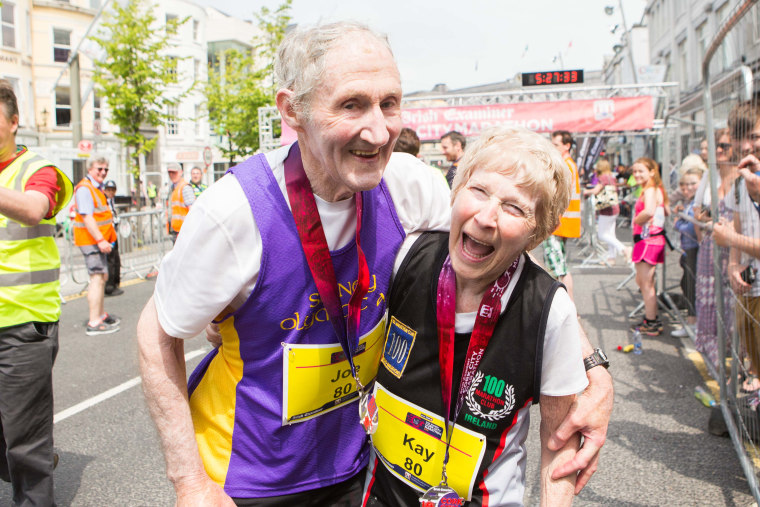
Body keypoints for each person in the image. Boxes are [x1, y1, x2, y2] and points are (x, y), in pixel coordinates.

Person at [137, 22, 612, 506]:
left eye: (389, 103)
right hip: (246, 481)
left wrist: (591, 367)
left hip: (355, 469)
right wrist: (190, 482)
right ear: (291, 110)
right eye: (352, 104)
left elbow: (505, 255)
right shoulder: (233, 213)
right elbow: (157, 332)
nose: (380, 130)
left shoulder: (405, 184)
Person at [363, 127, 590, 506]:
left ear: (538, 233)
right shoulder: (407, 257)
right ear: (456, 191)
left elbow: (559, 444)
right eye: (479, 191)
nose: (486, 217)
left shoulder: (550, 311)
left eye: (514, 207)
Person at [0, 79, 73, 505]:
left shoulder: (38, 168)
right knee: (15, 441)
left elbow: (33, 210)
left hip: (23, 324)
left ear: (14, 123)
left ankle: (34, 469)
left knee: (24, 444)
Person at [713, 101, 760, 391]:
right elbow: (740, 225)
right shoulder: (745, 181)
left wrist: (730, 239)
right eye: (739, 137)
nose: (745, 145)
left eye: (754, 136)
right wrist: (733, 264)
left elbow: (734, 234)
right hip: (750, 288)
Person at [694, 129, 737, 370]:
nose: (719, 151)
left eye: (724, 146)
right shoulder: (711, 176)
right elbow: (697, 211)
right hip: (710, 248)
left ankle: (737, 361)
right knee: (709, 300)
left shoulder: (741, 178)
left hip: (734, 251)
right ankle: (716, 356)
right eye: (716, 146)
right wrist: (707, 227)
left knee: (733, 304)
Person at [73, 157, 121, 336]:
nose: (103, 172)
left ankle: (100, 315)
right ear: (90, 169)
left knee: (102, 277)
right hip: (91, 241)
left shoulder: (95, 188)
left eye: (105, 170)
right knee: (97, 278)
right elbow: (87, 217)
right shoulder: (85, 189)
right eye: (99, 169)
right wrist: (100, 239)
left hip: (97, 241)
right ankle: (94, 321)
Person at [629, 157, 668, 336]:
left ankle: (652, 322)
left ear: (652, 171)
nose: (636, 174)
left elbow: (649, 211)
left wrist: (636, 220)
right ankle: (650, 319)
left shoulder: (651, 189)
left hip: (648, 239)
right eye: (635, 171)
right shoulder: (650, 189)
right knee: (643, 281)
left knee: (646, 283)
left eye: (640, 171)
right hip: (647, 239)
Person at [542, 130, 581, 300]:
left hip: (558, 222)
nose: (552, 147)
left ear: (567, 146)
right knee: (559, 267)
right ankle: (567, 306)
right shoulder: (568, 164)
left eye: (556, 144)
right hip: (562, 222)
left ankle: (569, 307)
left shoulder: (565, 165)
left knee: (559, 269)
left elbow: (556, 194)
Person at [672, 166, 704, 337]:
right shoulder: (689, 203)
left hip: (694, 249)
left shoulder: (696, 204)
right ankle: (692, 322)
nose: (687, 188)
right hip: (689, 249)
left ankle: (693, 323)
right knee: (687, 284)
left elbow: (691, 228)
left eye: (692, 183)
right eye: (683, 185)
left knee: (690, 285)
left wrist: (678, 223)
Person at [583, 159, 627, 265]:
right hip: (614, 207)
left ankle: (624, 249)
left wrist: (585, 192)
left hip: (607, 209)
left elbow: (596, 190)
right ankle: (611, 258)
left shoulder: (603, 177)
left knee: (602, 235)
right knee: (611, 234)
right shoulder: (611, 177)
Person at [102, 180, 123, 297]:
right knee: (110, 261)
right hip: (107, 235)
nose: (110, 192)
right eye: (108, 190)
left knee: (115, 259)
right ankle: (109, 286)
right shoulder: (103, 201)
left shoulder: (111, 201)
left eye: (112, 190)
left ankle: (115, 283)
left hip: (112, 234)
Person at [166, 163, 195, 241]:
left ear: (181, 172)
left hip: (184, 231)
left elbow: (192, 210)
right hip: (176, 230)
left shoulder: (185, 187)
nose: (172, 175)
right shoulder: (173, 188)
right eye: (170, 173)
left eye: (174, 172)